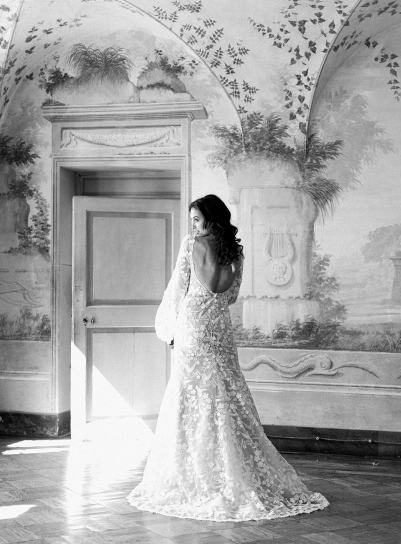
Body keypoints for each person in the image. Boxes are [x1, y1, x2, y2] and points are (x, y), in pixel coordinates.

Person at [127, 194, 328, 521]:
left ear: (208, 219)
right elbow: (231, 296)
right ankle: (235, 473)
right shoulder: (237, 252)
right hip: (219, 329)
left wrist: (168, 330)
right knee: (226, 397)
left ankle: (192, 475)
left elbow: (177, 289)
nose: (193, 225)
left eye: (196, 219)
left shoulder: (190, 244)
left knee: (188, 399)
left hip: (192, 327)